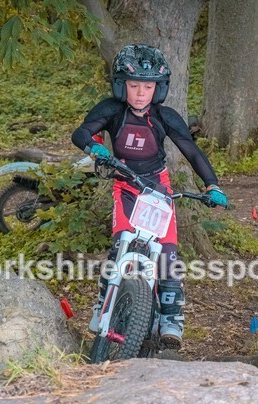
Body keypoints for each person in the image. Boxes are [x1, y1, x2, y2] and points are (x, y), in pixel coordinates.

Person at [71, 44, 228, 350]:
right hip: (125, 185)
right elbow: (81, 133)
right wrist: (94, 147)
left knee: (167, 254)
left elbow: (192, 151)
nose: (141, 93)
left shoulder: (164, 116)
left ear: (159, 88)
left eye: (148, 86)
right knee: (120, 245)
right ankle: (103, 302)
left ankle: (171, 318)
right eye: (134, 86)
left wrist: (212, 185)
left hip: (158, 188)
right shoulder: (111, 110)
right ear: (121, 85)